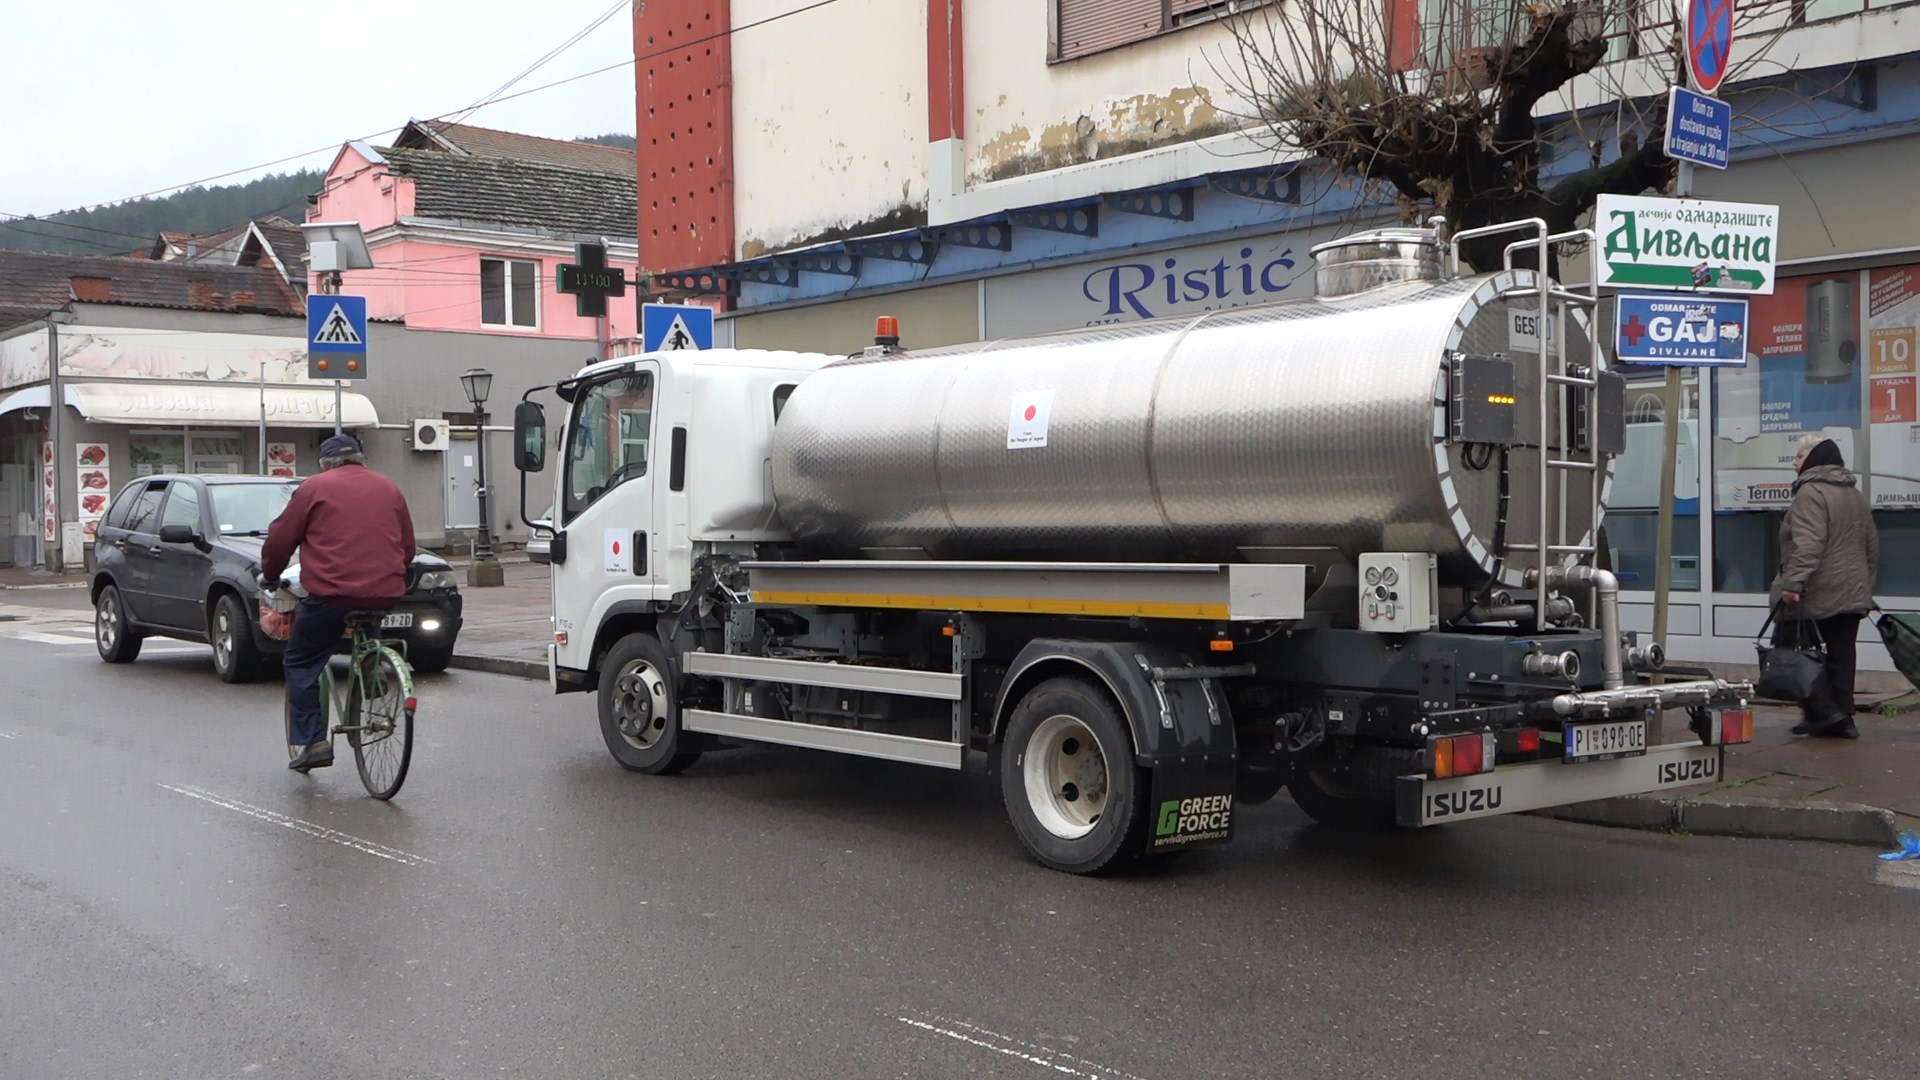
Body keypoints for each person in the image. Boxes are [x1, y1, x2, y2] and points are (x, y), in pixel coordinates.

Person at [262, 434, 416, 772]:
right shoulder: (389, 488)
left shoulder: (314, 488)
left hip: (332, 593)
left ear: (324, 464)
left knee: (301, 660)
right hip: (385, 591)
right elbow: (408, 547)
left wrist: (270, 573)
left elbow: (281, 538)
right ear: (361, 459)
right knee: (366, 616)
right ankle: (372, 667)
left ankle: (315, 742)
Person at [1769, 434, 1878, 739]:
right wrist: (1866, 584)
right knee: (1842, 653)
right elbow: (1871, 546)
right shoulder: (1855, 495)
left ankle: (1822, 712)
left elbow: (1809, 545)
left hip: (1818, 589)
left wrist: (1793, 583)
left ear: (1813, 458)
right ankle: (1844, 718)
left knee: (1794, 649)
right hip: (1852, 590)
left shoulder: (1811, 493)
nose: (1794, 462)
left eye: (1799, 456)